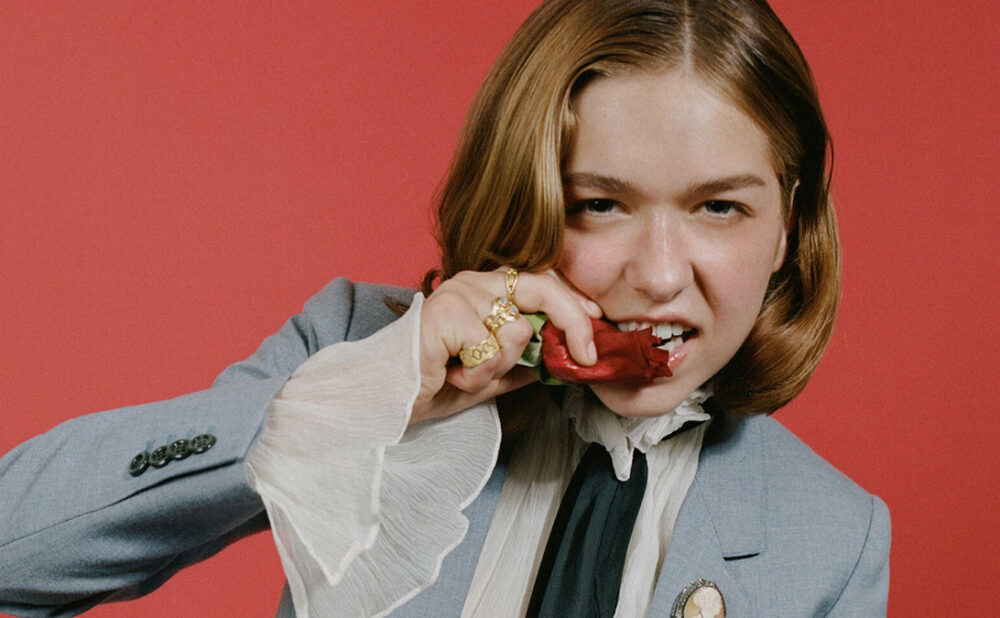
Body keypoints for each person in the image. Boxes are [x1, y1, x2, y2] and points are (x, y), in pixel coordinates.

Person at [0, 0, 890, 616]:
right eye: (600, 205)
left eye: (719, 208)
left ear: (787, 229)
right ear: (527, 194)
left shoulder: (834, 539)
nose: (658, 277)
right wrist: (375, 392)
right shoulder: (360, 348)